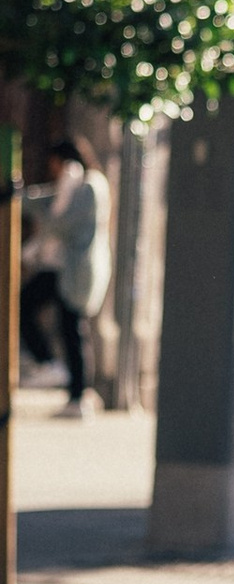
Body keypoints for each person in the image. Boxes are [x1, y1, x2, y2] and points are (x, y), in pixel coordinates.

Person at [22, 141, 110, 415]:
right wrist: (19, 197)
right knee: (52, 318)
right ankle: (66, 382)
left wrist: (44, 212)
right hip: (60, 269)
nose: (55, 171)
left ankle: (76, 394)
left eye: (56, 165)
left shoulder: (92, 185)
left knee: (73, 328)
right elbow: (47, 200)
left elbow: (63, 221)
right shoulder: (71, 185)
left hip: (76, 271)